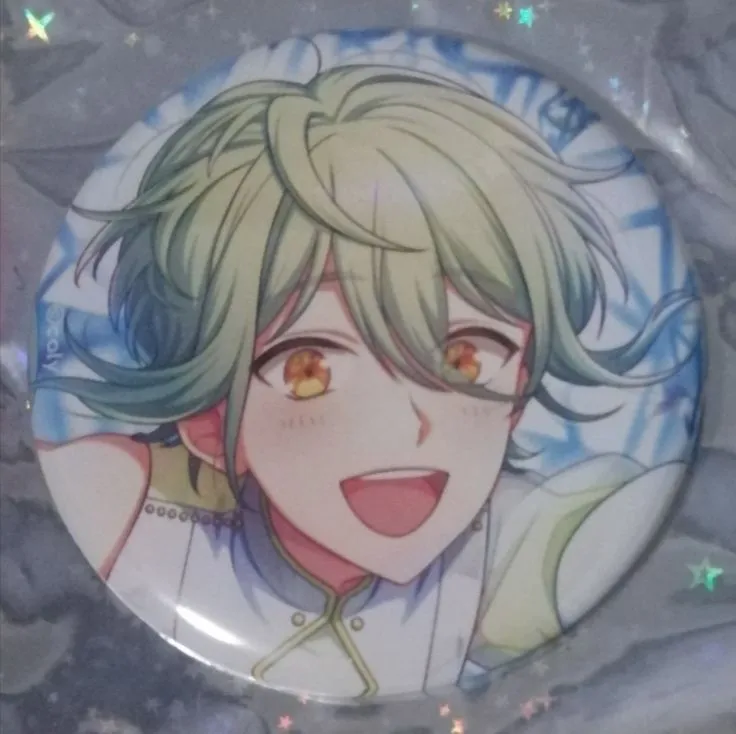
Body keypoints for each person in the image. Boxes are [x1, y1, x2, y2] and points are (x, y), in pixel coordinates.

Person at [35, 64, 695, 698]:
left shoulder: (536, 545)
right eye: (308, 369)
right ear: (209, 421)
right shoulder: (133, 507)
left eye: (463, 357)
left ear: (519, 386)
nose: (403, 425)